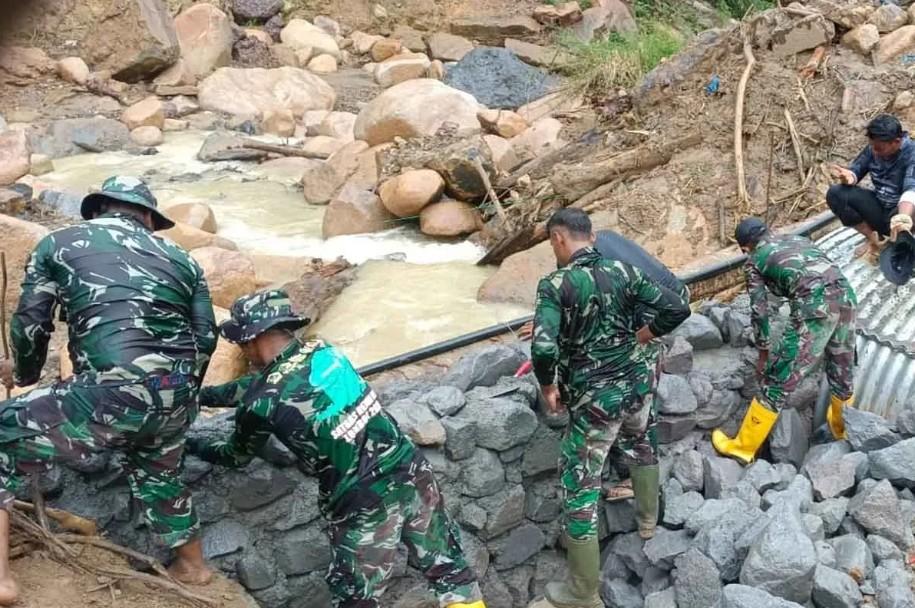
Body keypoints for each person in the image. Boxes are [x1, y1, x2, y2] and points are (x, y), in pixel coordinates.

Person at [186, 289, 485, 608]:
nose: (243, 352)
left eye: (242, 343)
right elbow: (277, 382)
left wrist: (192, 443)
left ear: (251, 339)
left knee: (357, 598)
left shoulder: (260, 405)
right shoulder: (324, 351)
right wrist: (205, 395)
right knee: (450, 571)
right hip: (410, 468)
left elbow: (235, 455)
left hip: (364, 502)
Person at [0, 176, 217, 604]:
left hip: (109, 395)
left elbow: (31, 322)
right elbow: (205, 336)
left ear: (99, 208)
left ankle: (2, 582)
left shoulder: (58, 243)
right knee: (159, 470)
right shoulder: (184, 259)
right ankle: (193, 567)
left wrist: (23, 375)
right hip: (173, 395)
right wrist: (178, 392)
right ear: (149, 217)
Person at [530, 209, 690, 608]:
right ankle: (648, 523)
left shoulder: (555, 284)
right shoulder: (624, 272)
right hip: (635, 387)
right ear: (593, 236)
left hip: (594, 401)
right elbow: (677, 308)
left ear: (558, 239)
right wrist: (641, 335)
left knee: (580, 486)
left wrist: (548, 385)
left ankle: (583, 592)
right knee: (641, 442)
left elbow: (544, 346)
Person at [712, 218, 857, 465]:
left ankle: (742, 447)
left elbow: (760, 311)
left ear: (745, 247)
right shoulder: (798, 239)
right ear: (770, 230)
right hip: (846, 298)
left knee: (777, 380)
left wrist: (764, 354)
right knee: (841, 371)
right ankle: (842, 432)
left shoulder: (754, 261)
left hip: (814, 309)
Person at [826, 114, 915, 260]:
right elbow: (857, 168)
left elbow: (911, 188)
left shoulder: (912, 153)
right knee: (836, 193)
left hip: (905, 213)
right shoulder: (873, 148)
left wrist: (903, 217)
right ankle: (876, 239)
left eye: (879, 148)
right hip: (881, 208)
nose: (874, 151)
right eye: (872, 146)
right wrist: (850, 177)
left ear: (896, 142)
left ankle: (903, 241)